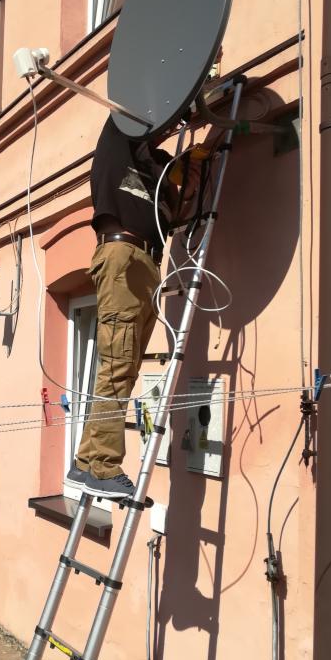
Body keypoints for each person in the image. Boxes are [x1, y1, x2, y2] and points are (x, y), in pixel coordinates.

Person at [65, 115, 200, 500]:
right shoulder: (116, 148)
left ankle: (87, 462)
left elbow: (175, 216)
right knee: (118, 363)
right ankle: (104, 466)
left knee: (123, 367)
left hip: (147, 265)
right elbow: (127, 111)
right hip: (122, 255)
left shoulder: (156, 178)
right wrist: (183, 101)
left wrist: (185, 183)